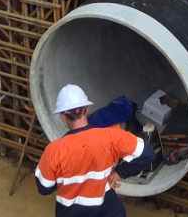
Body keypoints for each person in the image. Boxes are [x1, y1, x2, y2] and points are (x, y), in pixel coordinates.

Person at [35, 84, 155, 216]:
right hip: (108, 210)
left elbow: (44, 188)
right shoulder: (111, 136)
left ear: (63, 116)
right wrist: (119, 172)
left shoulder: (54, 150)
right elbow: (147, 154)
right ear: (86, 110)